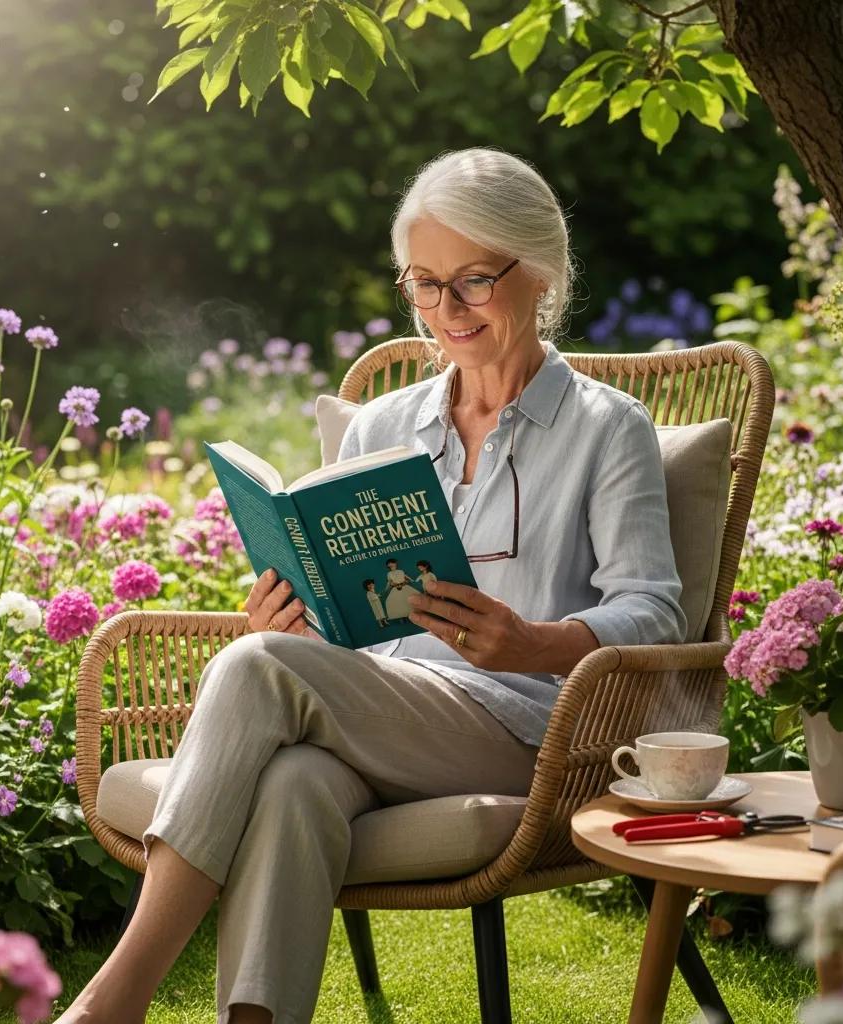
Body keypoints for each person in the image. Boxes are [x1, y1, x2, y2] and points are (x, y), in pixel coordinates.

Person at [55, 147, 685, 1024]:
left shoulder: (607, 429)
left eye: (470, 281)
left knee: (252, 667)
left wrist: (532, 641)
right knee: (294, 784)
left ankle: (110, 1001)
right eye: (423, 284)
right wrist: (300, 616)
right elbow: (351, 621)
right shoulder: (388, 423)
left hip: (529, 730)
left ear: (538, 273)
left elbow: (656, 611)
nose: (445, 311)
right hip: (384, 713)